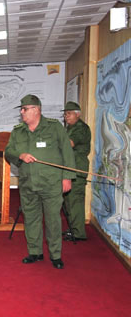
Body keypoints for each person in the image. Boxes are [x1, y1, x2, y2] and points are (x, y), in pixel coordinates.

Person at [5, 94, 76, 269]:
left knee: (53, 220)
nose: (22, 112)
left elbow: (67, 152)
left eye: (25, 109)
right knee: (31, 219)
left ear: (36, 110)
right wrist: (19, 155)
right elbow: (8, 152)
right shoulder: (17, 131)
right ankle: (35, 252)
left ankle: (55, 255)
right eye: (21, 109)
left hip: (51, 183)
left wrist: (67, 177)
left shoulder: (54, 127)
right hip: (28, 183)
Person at [62, 101, 91, 241]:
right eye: (65, 114)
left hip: (77, 168)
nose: (66, 116)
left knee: (75, 200)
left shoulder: (80, 128)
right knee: (68, 201)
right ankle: (73, 229)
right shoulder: (70, 128)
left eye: (69, 113)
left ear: (77, 114)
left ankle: (78, 233)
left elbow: (69, 144)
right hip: (70, 167)